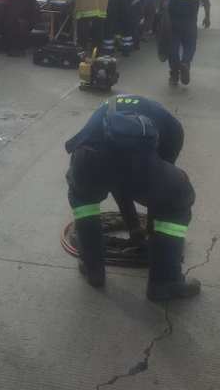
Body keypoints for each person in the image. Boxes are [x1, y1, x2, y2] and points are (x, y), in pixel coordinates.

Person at [65, 94, 200, 301]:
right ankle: (165, 282)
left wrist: (134, 227)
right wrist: (143, 231)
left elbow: (116, 180)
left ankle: (93, 269)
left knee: (84, 203)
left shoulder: (107, 109)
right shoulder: (172, 129)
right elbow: (158, 196)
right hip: (130, 164)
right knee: (177, 198)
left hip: (87, 162)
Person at [160, 0, 212, 86]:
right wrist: (207, 17)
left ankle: (174, 75)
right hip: (191, 18)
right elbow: (206, 0)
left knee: (173, 46)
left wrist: (162, 8)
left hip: (174, 18)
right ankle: (185, 63)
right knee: (190, 44)